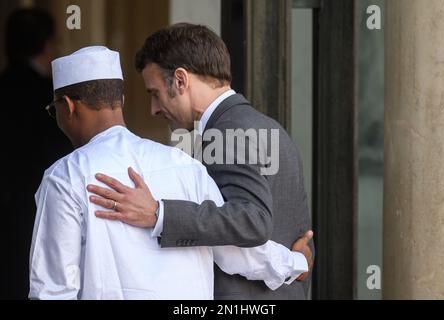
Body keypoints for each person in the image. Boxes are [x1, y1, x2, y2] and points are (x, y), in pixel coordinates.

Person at [29, 46, 313, 300]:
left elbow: (52, 290)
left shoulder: (65, 176)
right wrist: (295, 262)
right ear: (122, 100)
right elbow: (235, 251)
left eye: (54, 111)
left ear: (67, 107)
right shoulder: (184, 165)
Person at [0, 8, 72, 299]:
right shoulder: (52, 97)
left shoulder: (3, 86)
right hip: (36, 205)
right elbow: (62, 154)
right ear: (47, 44)